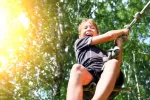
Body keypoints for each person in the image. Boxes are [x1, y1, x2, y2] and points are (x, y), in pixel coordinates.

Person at [66, 19, 129, 100]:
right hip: (89, 80)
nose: (88, 29)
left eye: (92, 28)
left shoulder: (104, 54)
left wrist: (119, 43)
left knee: (113, 62)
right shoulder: (80, 43)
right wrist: (123, 31)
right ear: (80, 36)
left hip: (107, 82)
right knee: (76, 68)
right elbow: (109, 36)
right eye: (85, 28)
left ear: (97, 34)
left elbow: (118, 64)